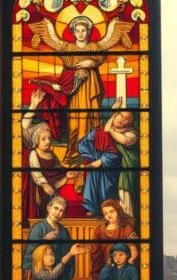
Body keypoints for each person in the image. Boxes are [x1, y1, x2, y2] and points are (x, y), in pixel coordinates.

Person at [27, 15, 134, 167]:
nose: (80, 33)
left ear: (88, 32)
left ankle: (91, 155)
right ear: (73, 32)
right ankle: (73, 155)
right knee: (75, 124)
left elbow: (101, 58)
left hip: (91, 89)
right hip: (74, 92)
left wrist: (92, 62)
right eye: (77, 31)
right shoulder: (68, 48)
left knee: (91, 120)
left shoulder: (94, 47)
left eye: (83, 30)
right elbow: (68, 67)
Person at [21, 88, 77, 221]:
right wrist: (33, 105)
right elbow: (36, 173)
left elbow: (58, 171)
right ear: (36, 141)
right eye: (43, 139)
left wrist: (66, 175)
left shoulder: (51, 155)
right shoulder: (34, 153)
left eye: (49, 138)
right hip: (37, 190)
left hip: (50, 191)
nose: (47, 141)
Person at [78, 100, 130, 216]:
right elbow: (83, 143)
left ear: (128, 124)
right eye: (119, 116)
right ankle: (92, 207)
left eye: (125, 119)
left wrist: (101, 160)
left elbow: (117, 154)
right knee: (92, 186)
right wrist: (93, 158)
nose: (121, 119)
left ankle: (107, 210)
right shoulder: (98, 131)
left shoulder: (123, 135)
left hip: (109, 169)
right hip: (95, 165)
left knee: (107, 189)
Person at [22, 195, 74, 280]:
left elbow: (69, 258)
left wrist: (65, 279)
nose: (57, 213)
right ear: (48, 208)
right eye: (55, 208)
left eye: (61, 210)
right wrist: (44, 240)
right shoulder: (38, 228)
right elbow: (30, 255)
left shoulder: (64, 232)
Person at [89, 199, 138, 280]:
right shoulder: (99, 230)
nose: (109, 215)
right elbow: (95, 253)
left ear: (118, 211)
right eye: (105, 213)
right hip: (104, 267)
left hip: (121, 267)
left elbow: (133, 250)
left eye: (111, 211)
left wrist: (126, 267)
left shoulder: (127, 228)